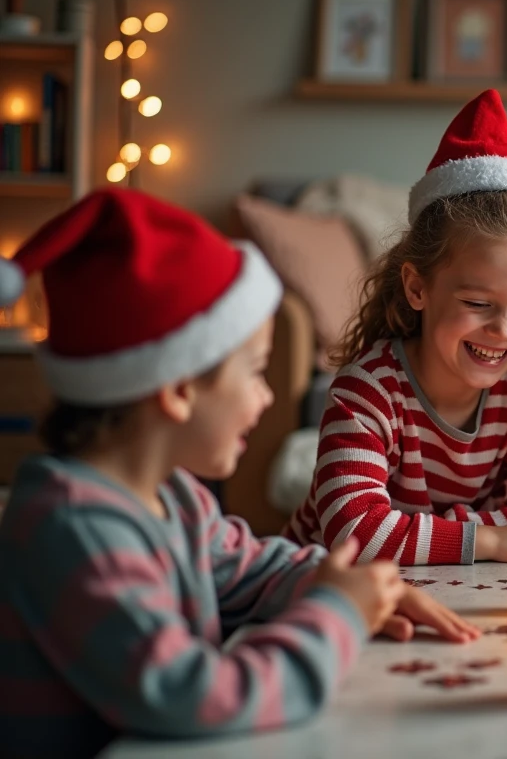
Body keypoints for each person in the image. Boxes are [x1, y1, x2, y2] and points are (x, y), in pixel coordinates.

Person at [0, 189, 477, 758]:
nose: (268, 395)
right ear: (178, 389)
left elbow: (254, 569)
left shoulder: (173, 495)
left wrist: (349, 583)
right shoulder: (73, 529)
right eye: (254, 372)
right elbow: (191, 696)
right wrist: (338, 613)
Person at [285, 90, 507, 565]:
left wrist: (418, 532)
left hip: (444, 589)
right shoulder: (367, 392)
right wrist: (490, 539)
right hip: (320, 588)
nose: (504, 331)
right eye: (477, 303)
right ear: (417, 288)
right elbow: (354, 532)